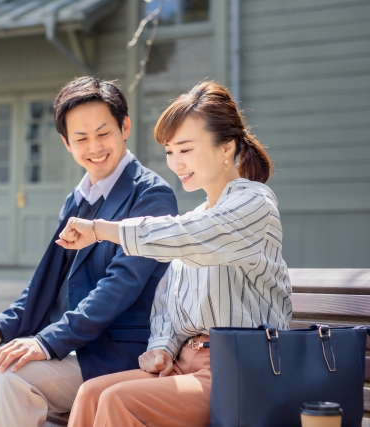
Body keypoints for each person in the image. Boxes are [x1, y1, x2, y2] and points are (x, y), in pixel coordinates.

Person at [0, 76, 179, 427]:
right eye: (81, 138)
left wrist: (46, 342)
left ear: (125, 127)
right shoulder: (77, 198)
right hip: (63, 352)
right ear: (66, 142)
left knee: (15, 377)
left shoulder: (152, 196)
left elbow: (120, 285)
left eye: (103, 133)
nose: (94, 146)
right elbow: (44, 284)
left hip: (112, 357)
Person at [57, 80, 292, 427]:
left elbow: (192, 238)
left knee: (117, 400)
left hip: (241, 372)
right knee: (91, 392)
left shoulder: (254, 203)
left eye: (185, 149)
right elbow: (168, 302)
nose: (176, 163)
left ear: (226, 147)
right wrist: (163, 348)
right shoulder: (194, 217)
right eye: (170, 151)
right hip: (186, 365)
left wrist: (100, 230)